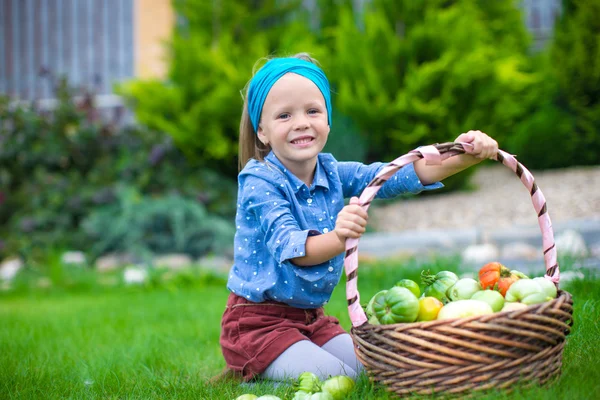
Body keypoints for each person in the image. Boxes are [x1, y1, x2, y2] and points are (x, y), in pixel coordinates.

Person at [219, 52, 498, 383]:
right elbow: (293, 248)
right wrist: (339, 238)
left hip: (311, 319)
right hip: (257, 323)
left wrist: (466, 155)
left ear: (328, 121)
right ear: (262, 131)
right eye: (284, 115)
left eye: (312, 111)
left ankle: (286, 361)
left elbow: (395, 176)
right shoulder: (260, 180)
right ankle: (256, 368)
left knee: (375, 372)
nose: (301, 122)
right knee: (340, 380)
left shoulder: (331, 171)